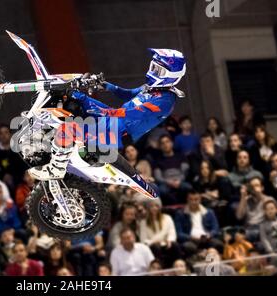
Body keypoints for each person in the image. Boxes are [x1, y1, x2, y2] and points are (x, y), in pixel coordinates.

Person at [29, 48, 187, 181]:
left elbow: (133, 114)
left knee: (68, 129)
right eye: (153, 67)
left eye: (157, 70)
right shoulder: (152, 88)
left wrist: (105, 111)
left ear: (171, 75)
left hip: (118, 132)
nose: (152, 72)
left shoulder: (165, 100)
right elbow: (128, 94)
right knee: (77, 96)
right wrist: (104, 85)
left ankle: (56, 168)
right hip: (114, 120)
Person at [174, 190, 223, 256]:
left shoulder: (209, 212)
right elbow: (179, 233)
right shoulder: (180, 214)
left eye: (196, 199)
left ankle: (210, 262)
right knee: (188, 247)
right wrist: (191, 237)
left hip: (207, 238)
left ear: (200, 200)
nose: (193, 202)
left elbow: (215, 228)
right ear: (187, 200)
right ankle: (201, 255)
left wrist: (210, 235)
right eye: (191, 199)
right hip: (191, 239)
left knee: (217, 244)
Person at [139, 199, 181, 267]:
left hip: (166, 243)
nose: (154, 208)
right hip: (152, 246)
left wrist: (169, 240)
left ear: (160, 207)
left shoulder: (167, 218)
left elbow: (172, 232)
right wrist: (153, 242)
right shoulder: (143, 222)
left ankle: (179, 266)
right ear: (148, 208)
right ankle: (160, 269)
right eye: (151, 206)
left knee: (175, 245)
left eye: (156, 206)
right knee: (156, 247)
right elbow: (143, 240)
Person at [153, 135, 191, 205]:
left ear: (172, 143)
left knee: (188, 187)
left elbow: (185, 172)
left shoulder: (181, 156)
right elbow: (158, 177)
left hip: (180, 181)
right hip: (166, 183)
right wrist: (169, 182)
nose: (165, 145)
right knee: (162, 190)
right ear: (160, 146)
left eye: (167, 142)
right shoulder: (158, 160)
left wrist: (179, 181)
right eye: (162, 143)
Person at [236, 177, 275, 241]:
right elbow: (239, 216)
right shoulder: (246, 200)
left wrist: (259, 194)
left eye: (257, 185)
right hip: (247, 228)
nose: (254, 188)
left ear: (262, 188)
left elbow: (271, 216)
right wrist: (243, 197)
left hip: (262, 228)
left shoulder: (269, 199)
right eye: (252, 186)